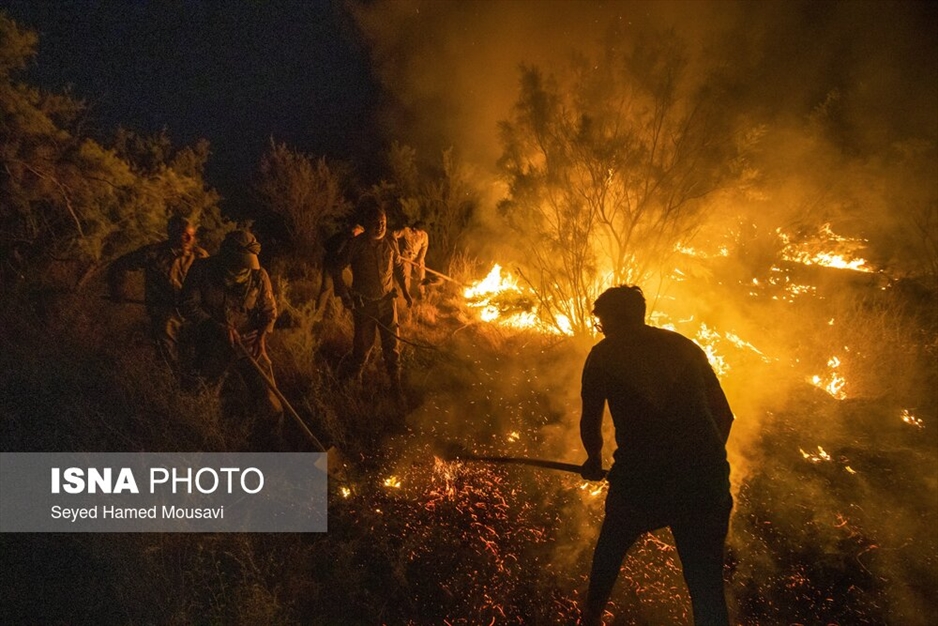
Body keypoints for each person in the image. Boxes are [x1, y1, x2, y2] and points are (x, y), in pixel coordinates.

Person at [579, 285, 735, 626]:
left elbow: (590, 419)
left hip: (642, 480)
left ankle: (589, 619)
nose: (601, 329)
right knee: (706, 587)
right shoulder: (685, 347)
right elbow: (725, 416)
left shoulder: (604, 355)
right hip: (706, 482)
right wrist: (701, 461)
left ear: (612, 319)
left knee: (608, 556)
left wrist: (593, 460)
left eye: (602, 322)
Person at [179, 229, 283, 450]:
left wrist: (262, 337)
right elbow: (188, 304)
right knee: (202, 395)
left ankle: (272, 443)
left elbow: (269, 312)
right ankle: (200, 441)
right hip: (212, 343)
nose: (244, 267)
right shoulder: (202, 270)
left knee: (269, 398)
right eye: (240, 262)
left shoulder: (258, 276)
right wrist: (216, 327)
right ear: (227, 255)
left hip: (249, 344)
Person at [333, 196, 412, 398]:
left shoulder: (391, 241)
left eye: (383, 223)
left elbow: (398, 267)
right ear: (367, 224)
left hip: (387, 303)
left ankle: (396, 386)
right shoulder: (356, 244)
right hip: (364, 305)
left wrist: (406, 291)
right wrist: (345, 296)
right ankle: (355, 385)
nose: (380, 226)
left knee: (392, 346)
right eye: (376, 223)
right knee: (362, 348)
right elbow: (337, 268)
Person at [107, 215, 208, 369]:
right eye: (184, 234)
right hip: (164, 311)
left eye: (192, 235)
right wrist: (118, 290)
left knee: (195, 355)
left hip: (192, 312)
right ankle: (168, 383)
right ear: (172, 233)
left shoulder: (200, 256)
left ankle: (190, 384)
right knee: (168, 357)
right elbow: (120, 265)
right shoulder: (154, 253)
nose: (189, 239)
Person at [314, 220, 364, 320]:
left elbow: (326, 245)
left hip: (330, 263)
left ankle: (317, 316)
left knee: (326, 289)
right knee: (349, 285)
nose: (360, 236)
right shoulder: (347, 239)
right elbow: (339, 256)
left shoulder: (342, 235)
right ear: (355, 231)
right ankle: (353, 312)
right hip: (333, 265)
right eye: (359, 233)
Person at [396, 220, 429, 300]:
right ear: (414, 229)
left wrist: (420, 259)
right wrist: (396, 250)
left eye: (422, 231)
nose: (421, 233)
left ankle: (422, 294)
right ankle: (406, 296)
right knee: (406, 276)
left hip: (417, 257)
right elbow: (394, 235)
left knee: (421, 274)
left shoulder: (424, 235)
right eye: (419, 231)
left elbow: (424, 247)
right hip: (406, 257)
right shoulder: (406, 231)